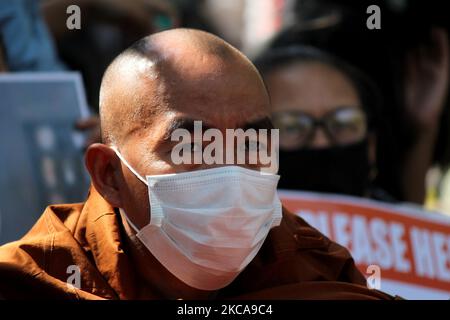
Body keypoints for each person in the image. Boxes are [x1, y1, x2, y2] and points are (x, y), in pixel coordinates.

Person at [0, 29, 395, 300]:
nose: (230, 173)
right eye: (192, 146)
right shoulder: (29, 283)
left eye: (251, 143)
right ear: (109, 175)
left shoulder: (318, 273)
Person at [255, 45, 393, 200]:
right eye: (291, 127)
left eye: (343, 124)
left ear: (371, 147)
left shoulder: (402, 222)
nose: (321, 142)